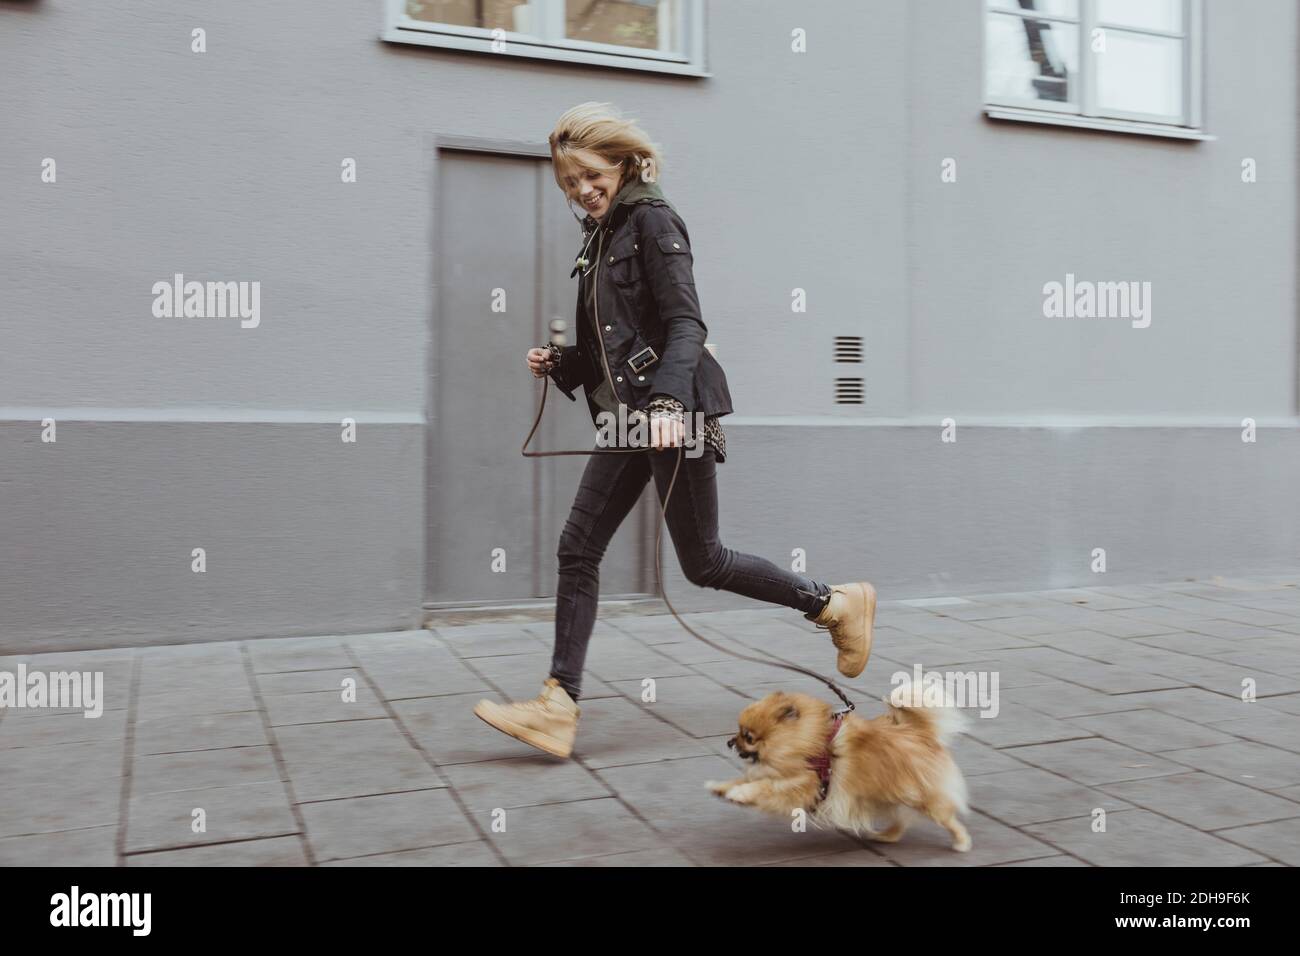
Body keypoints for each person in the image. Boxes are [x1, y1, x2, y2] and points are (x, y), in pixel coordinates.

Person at [474, 102, 876, 758]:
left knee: (703, 561)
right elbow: (616, 344)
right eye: (569, 182)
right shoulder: (598, 240)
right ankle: (556, 705)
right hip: (633, 415)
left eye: (590, 175)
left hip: (677, 410)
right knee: (578, 547)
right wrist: (564, 363)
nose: (581, 189)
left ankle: (834, 604)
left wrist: (665, 406)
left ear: (621, 163)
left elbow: (686, 324)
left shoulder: (654, 222)